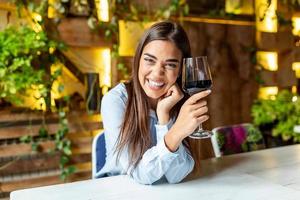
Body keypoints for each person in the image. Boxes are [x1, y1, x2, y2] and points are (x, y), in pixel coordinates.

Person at [98, 21, 211, 184]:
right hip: (116, 189)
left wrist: (163, 116)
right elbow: (139, 175)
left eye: (170, 64)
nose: (157, 73)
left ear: (180, 71)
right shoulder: (115, 101)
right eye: (150, 60)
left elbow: (177, 175)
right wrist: (174, 133)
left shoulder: (178, 100)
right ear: (138, 60)